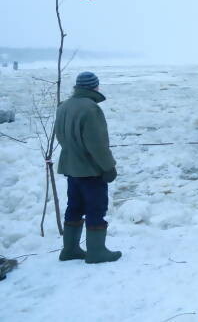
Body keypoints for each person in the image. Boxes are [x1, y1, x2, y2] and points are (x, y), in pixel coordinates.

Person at [55, 71, 121, 264]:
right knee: (96, 208)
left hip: (71, 167)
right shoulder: (91, 109)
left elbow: (61, 135)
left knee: (74, 207)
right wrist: (108, 167)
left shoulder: (64, 106)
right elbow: (97, 144)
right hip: (91, 171)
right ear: (94, 87)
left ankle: (70, 249)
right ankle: (96, 252)